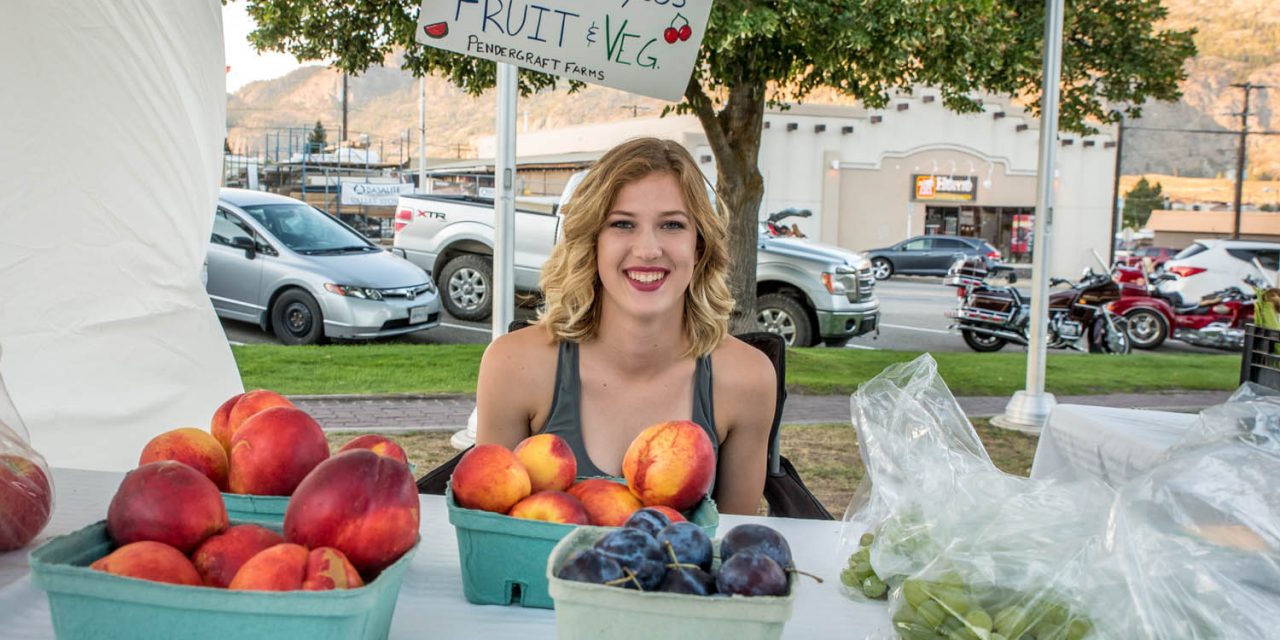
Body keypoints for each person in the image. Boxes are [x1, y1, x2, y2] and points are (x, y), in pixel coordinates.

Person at [474, 137, 777, 515]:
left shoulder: (747, 380)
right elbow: (489, 533)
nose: (648, 249)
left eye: (671, 225)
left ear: (699, 247)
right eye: (622, 224)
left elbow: (731, 549)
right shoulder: (513, 366)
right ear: (592, 242)